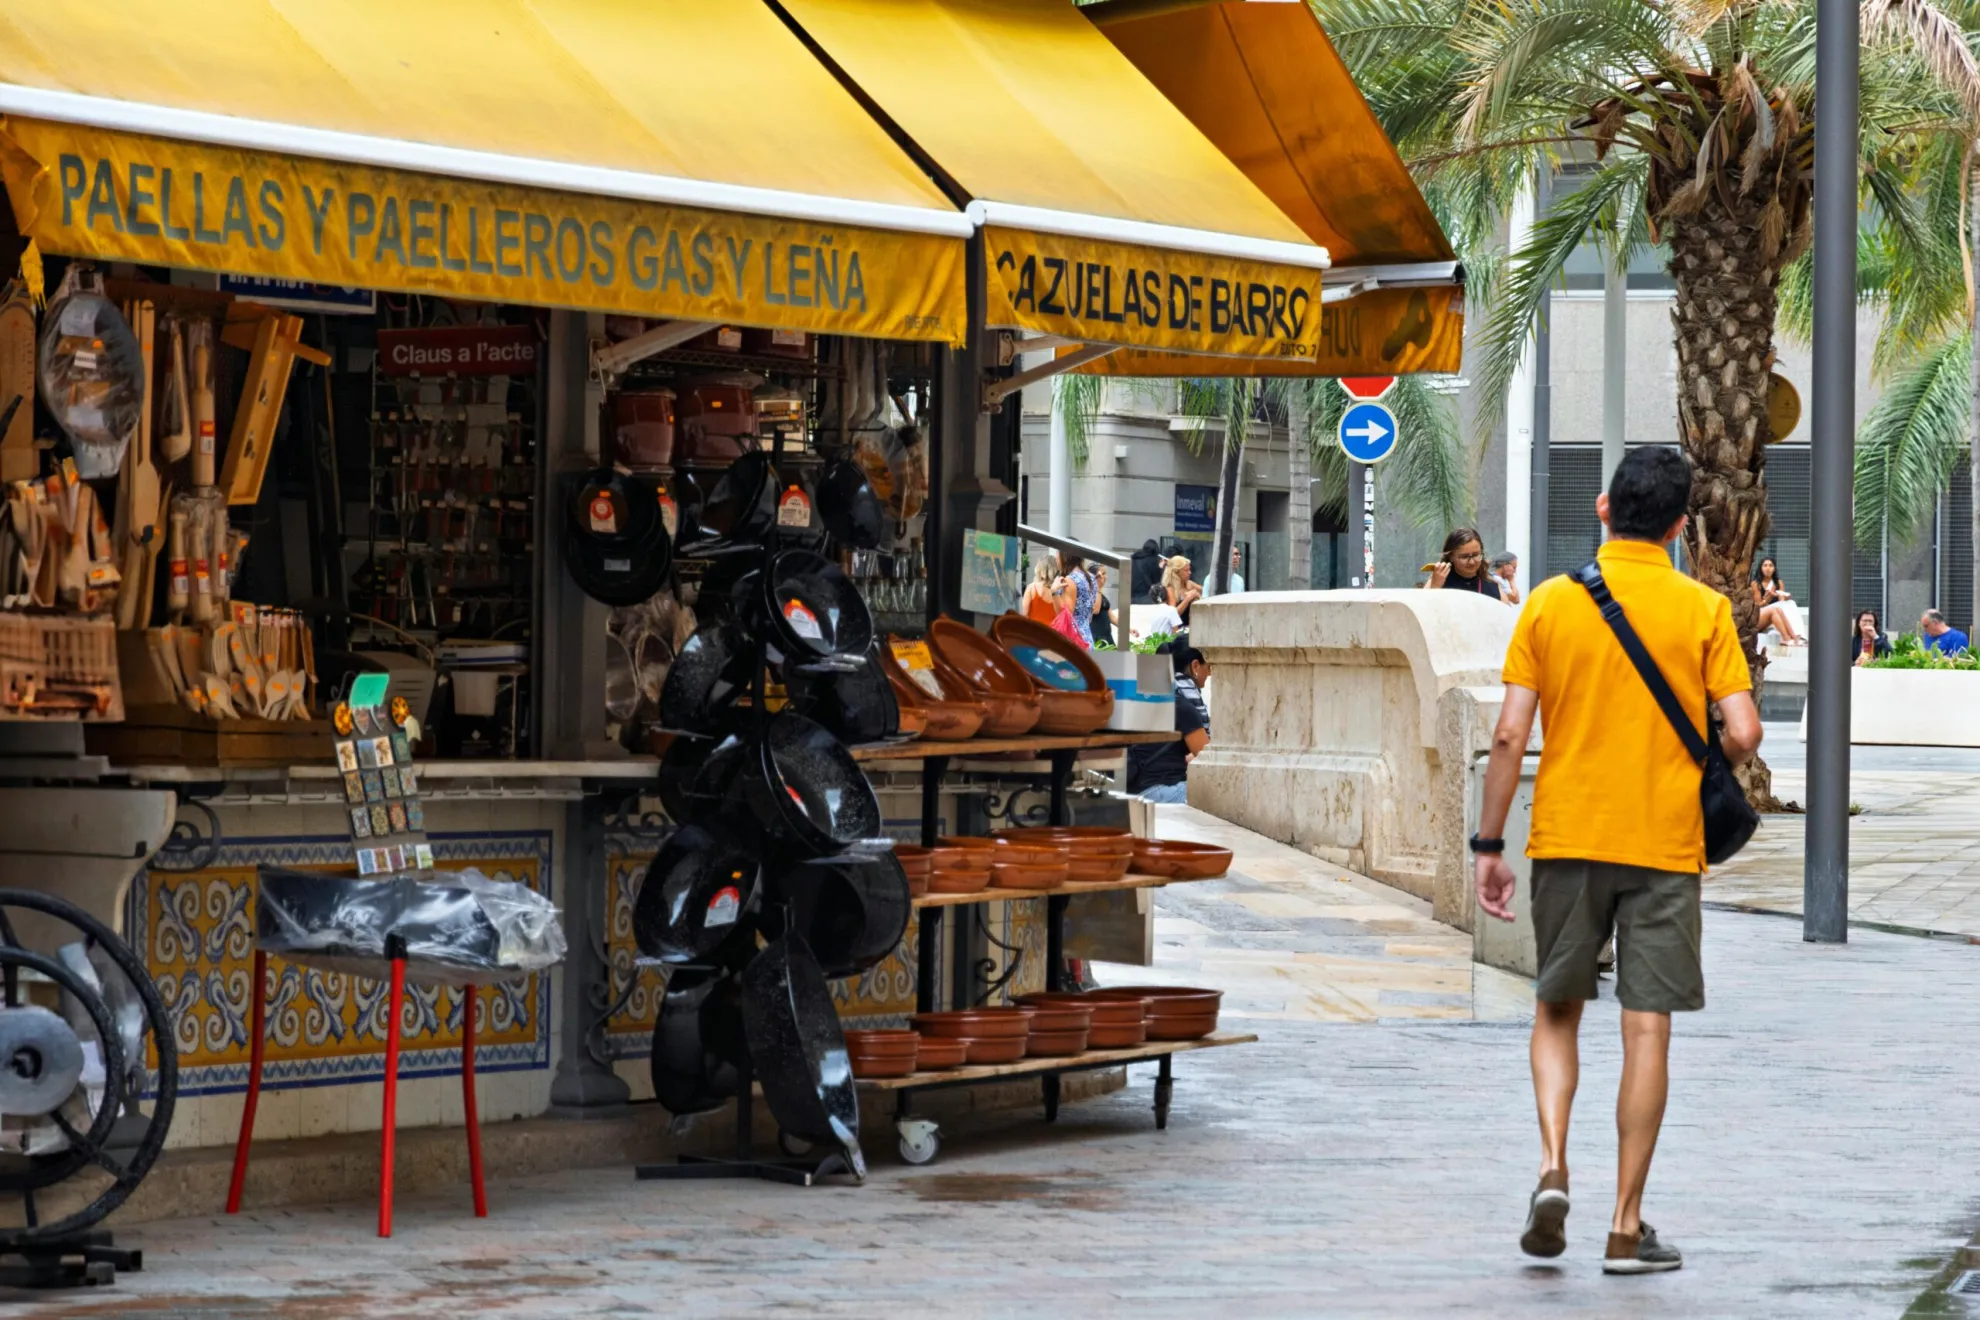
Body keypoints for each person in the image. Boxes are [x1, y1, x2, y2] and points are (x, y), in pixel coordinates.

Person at [1473, 446, 1762, 1276]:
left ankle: (1552, 1165)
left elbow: (1507, 734)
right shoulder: (1701, 609)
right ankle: (1627, 1228)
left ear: (1603, 509)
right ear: (1678, 526)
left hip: (1566, 836)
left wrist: (1490, 845)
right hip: (1663, 846)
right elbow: (1743, 732)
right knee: (1647, 1028)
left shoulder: (1551, 605)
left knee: (1557, 1009)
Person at [1125, 643, 1211, 804]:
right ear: (1195, 666)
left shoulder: (1144, 697)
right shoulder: (1183, 707)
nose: (1210, 673)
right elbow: (1208, 759)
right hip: (1161, 789)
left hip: (1132, 786)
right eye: (1209, 666)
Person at [1422, 527, 1502, 599]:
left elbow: (1507, 613)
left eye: (1476, 555)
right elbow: (1422, 610)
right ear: (1451, 556)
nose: (1471, 562)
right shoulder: (1438, 580)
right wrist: (1436, 586)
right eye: (1464, 557)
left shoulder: (1492, 584)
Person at [1750, 558, 1804, 646]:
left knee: (1790, 603)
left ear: (1774, 568)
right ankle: (1786, 638)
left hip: (1776, 615)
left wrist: (1785, 597)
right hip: (1760, 615)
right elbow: (1757, 606)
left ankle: (1795, 637)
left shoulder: (1778, 582)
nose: (1768, 568)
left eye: (1770, 566)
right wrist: (1767, 600)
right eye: (1765, 565)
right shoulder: (1756, 584)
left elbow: (1781, 602)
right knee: (1774, 609)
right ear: (1760, 568)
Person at [1061, 553, 1097, 647]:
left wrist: (1054, 593)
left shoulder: (1070, 579)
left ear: (1064, 558)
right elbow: (1092, 611)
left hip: (1073, 639)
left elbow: (1066, 615)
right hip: (1087, 636)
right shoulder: (1092, 578)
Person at [1161, 555, 1202, 628]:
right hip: (1177, 630)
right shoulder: (1170, 588)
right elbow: (1172, 616)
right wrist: (1187, 599)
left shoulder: (1189, 584)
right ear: (1176, 572)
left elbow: (1207, 591)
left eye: (1189, 569)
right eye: (1186, 570)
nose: (1189, 572)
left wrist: (1200, 598)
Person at [1020, 555, 1062, 625]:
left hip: (1034, 631)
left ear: (1039, 569)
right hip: (1052, 633)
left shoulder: (1031, 588)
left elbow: (1024, 614)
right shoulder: (1059, 590)